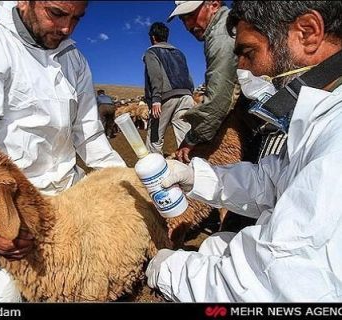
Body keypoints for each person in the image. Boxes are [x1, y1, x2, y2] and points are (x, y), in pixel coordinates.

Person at [146, 0, 342, 302]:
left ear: (307, 33)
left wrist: (167, 270)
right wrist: (196, 177)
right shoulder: (318, 119)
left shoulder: (335, 145)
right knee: (215, 247)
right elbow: (273, 182)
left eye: (249, 53)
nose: (241, 69)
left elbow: (280, 285)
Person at [0, 0, 126, 302]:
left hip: (67, 197)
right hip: (10, 207)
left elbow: (89, 135)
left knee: (83, 282)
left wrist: (128, 182)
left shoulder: (74, 59)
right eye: (57, 13)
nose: (67, 28)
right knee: (3, 296)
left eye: (77, 18)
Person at [168, 1, 240, 163]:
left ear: (214, 4)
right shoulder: (228, 25)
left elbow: (221, 96)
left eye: (191, 16)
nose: (187, 26)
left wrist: (193, 138)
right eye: (183, 20)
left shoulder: (221, 35)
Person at [143, 22, 194, 155]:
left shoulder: (151, 51)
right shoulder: (179, 53)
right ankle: (192, 166)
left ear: (153, 37)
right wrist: (190, 93)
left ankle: (156, 168)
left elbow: (156, 75)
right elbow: (187, 74)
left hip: (166, 97)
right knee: (184, 133)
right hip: (186, 95)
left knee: (155, 135)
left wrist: (156, 99)